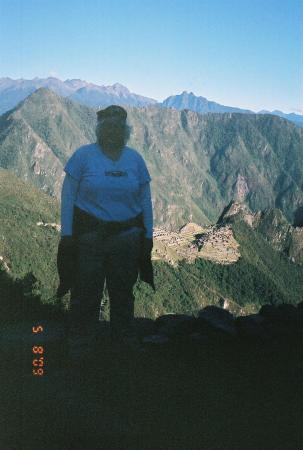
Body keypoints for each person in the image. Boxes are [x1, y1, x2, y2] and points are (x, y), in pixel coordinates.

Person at [56, 105, 154, 354]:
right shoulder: (83, 157)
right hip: (90, 237)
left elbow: (145, 200)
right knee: (86, 290)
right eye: (108, 127)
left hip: (127, 238)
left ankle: (123, 339)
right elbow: (68, 197)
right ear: (99, 130)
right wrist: (67, 234)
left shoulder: (135, 160)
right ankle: (80, 339)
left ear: (126, 131)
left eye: (118, 128)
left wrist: (148, 234)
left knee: (123, 292)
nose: (113, 132)